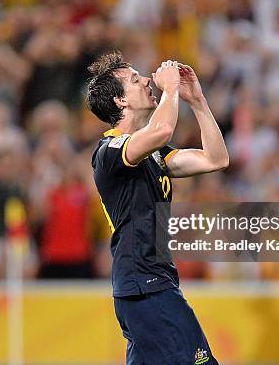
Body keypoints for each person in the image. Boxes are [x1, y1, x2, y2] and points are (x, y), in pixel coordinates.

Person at [86, 52, 229, 364]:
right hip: (144, 285)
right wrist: (171, 89)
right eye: (136, 80)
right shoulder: (108, 153)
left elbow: (216, 159)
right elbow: (162, 130)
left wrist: (198, 101)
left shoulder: (156, 155)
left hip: (150, 285)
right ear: (120, 102)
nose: (147, 80)